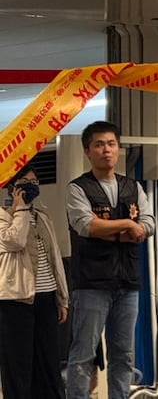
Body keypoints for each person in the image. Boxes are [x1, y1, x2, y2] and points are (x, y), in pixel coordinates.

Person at [66, 121, 155, 399]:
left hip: (127, 283)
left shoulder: (133, 187)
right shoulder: (78, 188)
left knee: (124, 355)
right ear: (88, 151)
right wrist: (127, 226)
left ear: (118, 149)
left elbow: (148, 224)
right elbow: (86, 226)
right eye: (99, 144)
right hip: (91, 283)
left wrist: (116, 228)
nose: (106, 150)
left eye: (111, 143)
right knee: (83, 354)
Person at [0, 166, 68, 398]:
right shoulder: (3, 216)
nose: (31, 186)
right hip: (15, 300)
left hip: (46, 297)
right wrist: (21, 210)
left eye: (35, 182)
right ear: (12, 187)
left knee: (48, 363)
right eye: (25, 181)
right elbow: (14, 242)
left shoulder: (43, 217)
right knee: (18, 365)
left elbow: (54, 257)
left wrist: (62, 297)